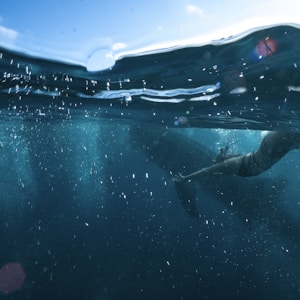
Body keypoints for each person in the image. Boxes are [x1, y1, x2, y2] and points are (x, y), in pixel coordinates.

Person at [173, 132, 300, 182]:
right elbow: (206, 170)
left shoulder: (231, 165)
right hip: (265, 151)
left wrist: (223, 155)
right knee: (289, 137)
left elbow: (211, 170)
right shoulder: (227, 165)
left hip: (265, 159)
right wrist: (185, 178)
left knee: (291, 141)